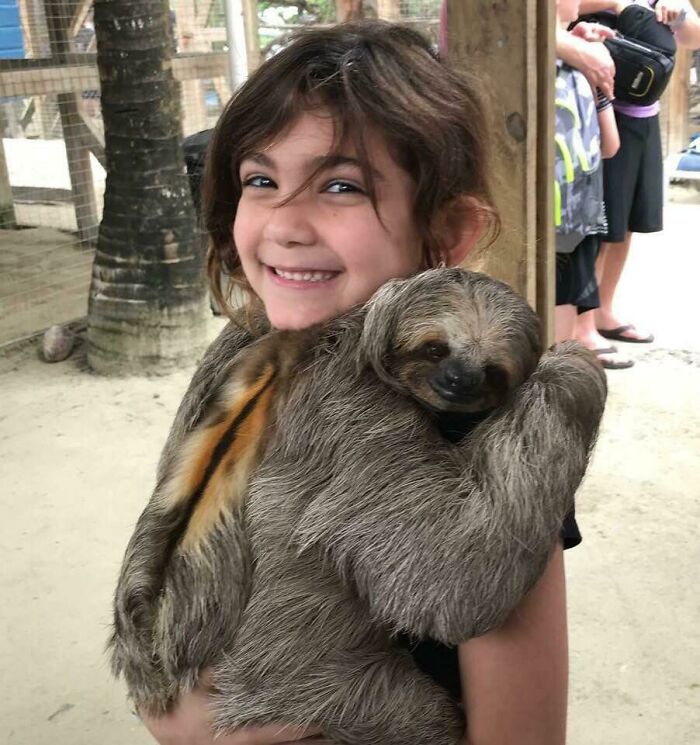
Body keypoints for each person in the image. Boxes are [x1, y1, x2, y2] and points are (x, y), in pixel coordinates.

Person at [139, 22, 579, 745]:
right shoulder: (245, 356)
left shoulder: (480, 428)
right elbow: (164, 564)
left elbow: (514, 710)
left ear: (450, 230)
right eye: (261, 181)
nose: (284, 223)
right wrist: (179, 718)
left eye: (340, 186)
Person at [574, 0, 700, 350]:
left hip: (644, 111)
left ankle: (604, 311)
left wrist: (678, 9)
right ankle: (579, 324)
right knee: (599, 224)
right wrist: (619, 3)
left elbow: (694, 37)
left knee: (627, 220)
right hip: (599, 109)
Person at [553, 0, 628, 368]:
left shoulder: (572, 55)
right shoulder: (583, 65)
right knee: (558, 341)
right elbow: (611, 145)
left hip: (541, 216)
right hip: (576, 216)